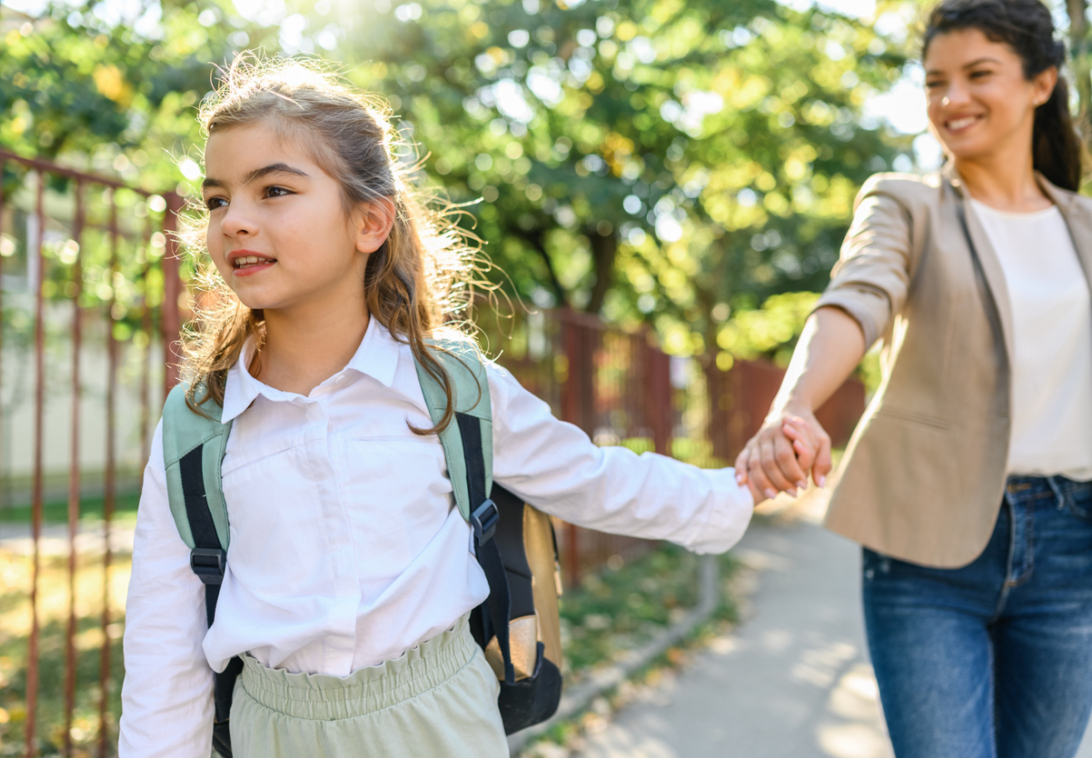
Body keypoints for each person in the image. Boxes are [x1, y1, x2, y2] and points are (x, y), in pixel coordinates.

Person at [117, 56, 801, 758]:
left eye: (274, 191)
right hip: (273, 734)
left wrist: (736, 490)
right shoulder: (196, 427)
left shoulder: (449, 387)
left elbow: (592, 479)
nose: (234, 221)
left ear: (369, 222)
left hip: (442, 723)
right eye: (217, 200)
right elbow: (162, 654)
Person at [736, 1, 1092, 756]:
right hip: (926, 543)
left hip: (1074, 544)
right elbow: (856, 298)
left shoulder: (1084, 227)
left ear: (1041, 83)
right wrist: (794, 405)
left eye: (978, 74)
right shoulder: (906, 204)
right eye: (934, 82)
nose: (951, 99)